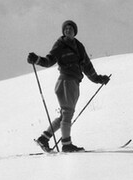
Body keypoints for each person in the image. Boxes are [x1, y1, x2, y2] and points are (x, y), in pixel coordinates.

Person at [27, 19, 110, 153]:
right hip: (66, 82)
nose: (68, 30)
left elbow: (87, 66)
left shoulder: (79, 46)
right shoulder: (60, 44)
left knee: (64, 115)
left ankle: (44, 138)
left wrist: (98, 79)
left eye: (70, 28)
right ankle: (66, 144)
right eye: (66, 28)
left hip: (72, 82)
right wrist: (36, 60)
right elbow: (49, 60)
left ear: (75, 32)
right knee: (67, 113)